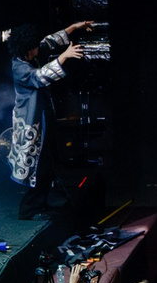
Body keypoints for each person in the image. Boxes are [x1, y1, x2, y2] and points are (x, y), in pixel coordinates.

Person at [10, 20, 96, 219]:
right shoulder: (19, 67)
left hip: (44, 118)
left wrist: (75, 27)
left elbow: (50, 41)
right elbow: (39, 77)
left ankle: (43, 203)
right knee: (38, 167)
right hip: (30, 122)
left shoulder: (31, 53)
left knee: (49, 162)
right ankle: (28, 210)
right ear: (25, 49)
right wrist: (65, 56)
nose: (36, 51)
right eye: (33, 49)